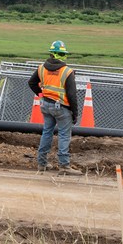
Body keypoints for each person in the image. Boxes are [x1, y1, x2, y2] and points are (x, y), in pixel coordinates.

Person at [28, 39, 83, 174]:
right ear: (62, 55)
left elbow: (31, 83)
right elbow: (72, 94)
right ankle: (64, 166)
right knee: (64, 135)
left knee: (47, 132)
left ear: (51, 54)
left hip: (46, 105)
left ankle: (42, 163)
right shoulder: (67, 71)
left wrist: (41, 94)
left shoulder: (42, 68)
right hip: (61, 107)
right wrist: (75, 113)